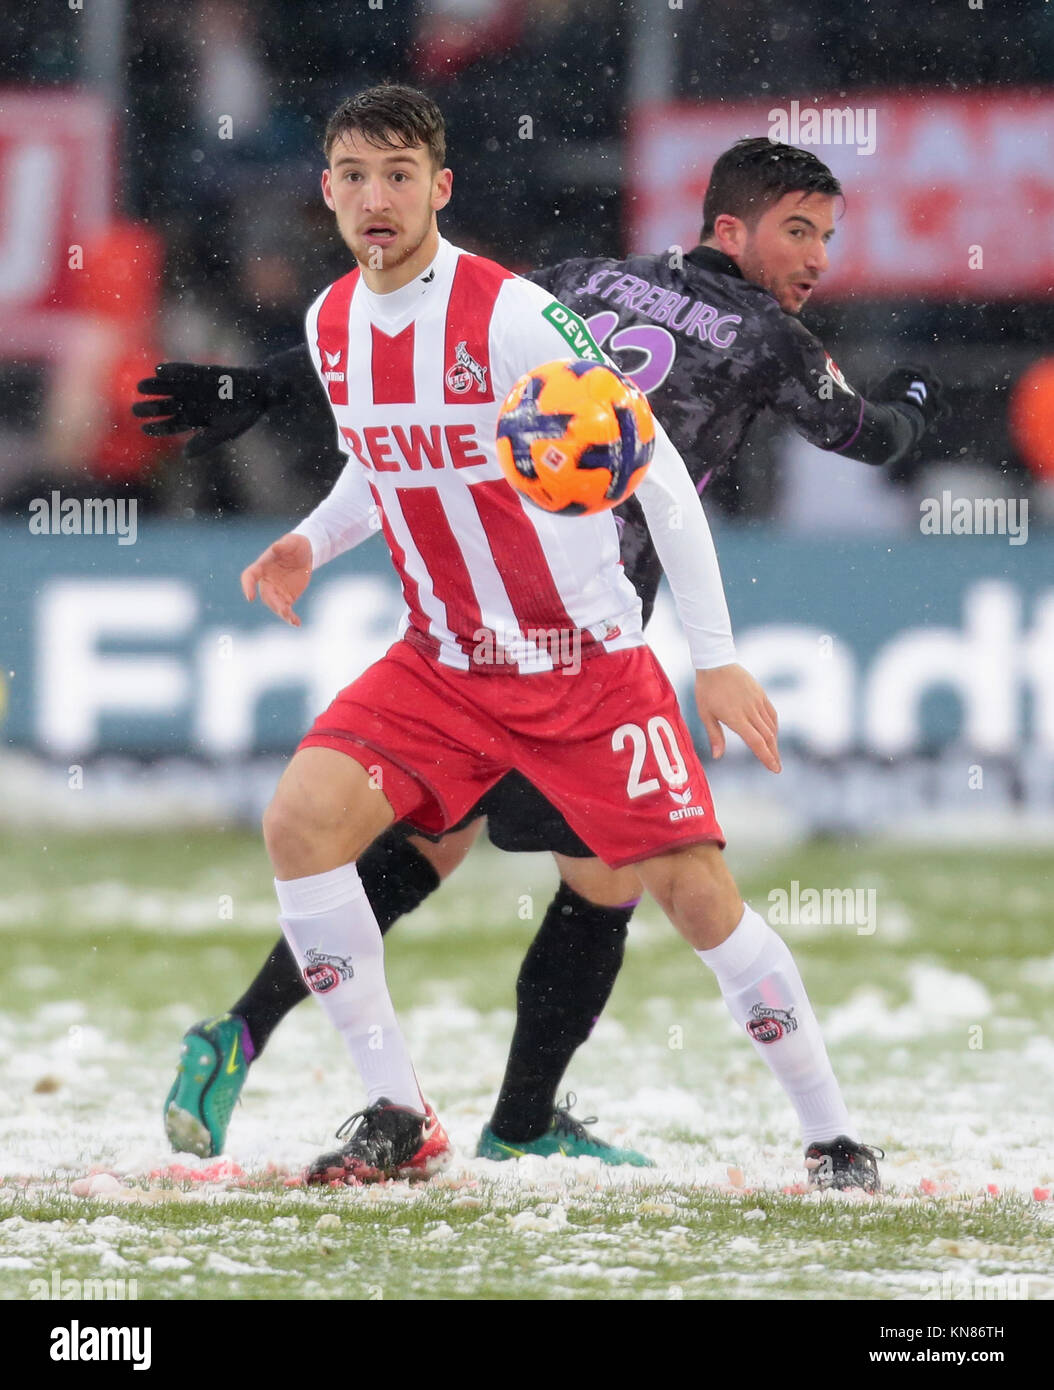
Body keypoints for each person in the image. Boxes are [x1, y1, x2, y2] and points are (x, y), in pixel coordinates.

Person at [141, 128, 940, 1186]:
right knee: (600, 877)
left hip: (533, 628)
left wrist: (262, 392)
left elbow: (408, 374)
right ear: (730, 227)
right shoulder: (763, 337)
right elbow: (863, 441)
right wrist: (919, 408)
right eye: (800, 233)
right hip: (534, 636)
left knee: (433, 855)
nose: (816, 261)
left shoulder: (575, 280)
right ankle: (493, 1115)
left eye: (827, 239)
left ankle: (264, 1037)